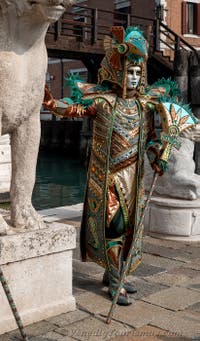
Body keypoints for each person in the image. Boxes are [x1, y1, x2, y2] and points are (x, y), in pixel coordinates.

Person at [43, 26, 169, 305]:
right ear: (117, 72)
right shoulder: (102, 102)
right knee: (114, 225)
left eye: (138, 73)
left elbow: (149, 140)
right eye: (129, 72)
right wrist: (51, 102)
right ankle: (115, 280)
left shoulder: (143, 107)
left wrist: (157, 157)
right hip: (108, 178)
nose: (134, 78)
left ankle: (115, 272)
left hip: (134, 179)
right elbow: (73, 107)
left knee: (129, 230)